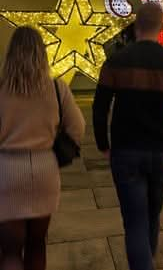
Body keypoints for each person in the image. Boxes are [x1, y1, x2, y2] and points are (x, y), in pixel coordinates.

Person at [93, 2, 163, 270]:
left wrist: (103, 144)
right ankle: (147, 260)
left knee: (135, 221)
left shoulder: (115, 62)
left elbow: (100, 107)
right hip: (161, 154)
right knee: (152, 215)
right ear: (162, 28)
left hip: (126, 152)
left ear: (136, 25)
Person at [0, 26, 85, 270]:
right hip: (44, 170)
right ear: (42, 54)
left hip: (6, 171)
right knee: (37, 245)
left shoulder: (1, 89)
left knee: (10, 251)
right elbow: (78, 127)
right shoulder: (58, 88)